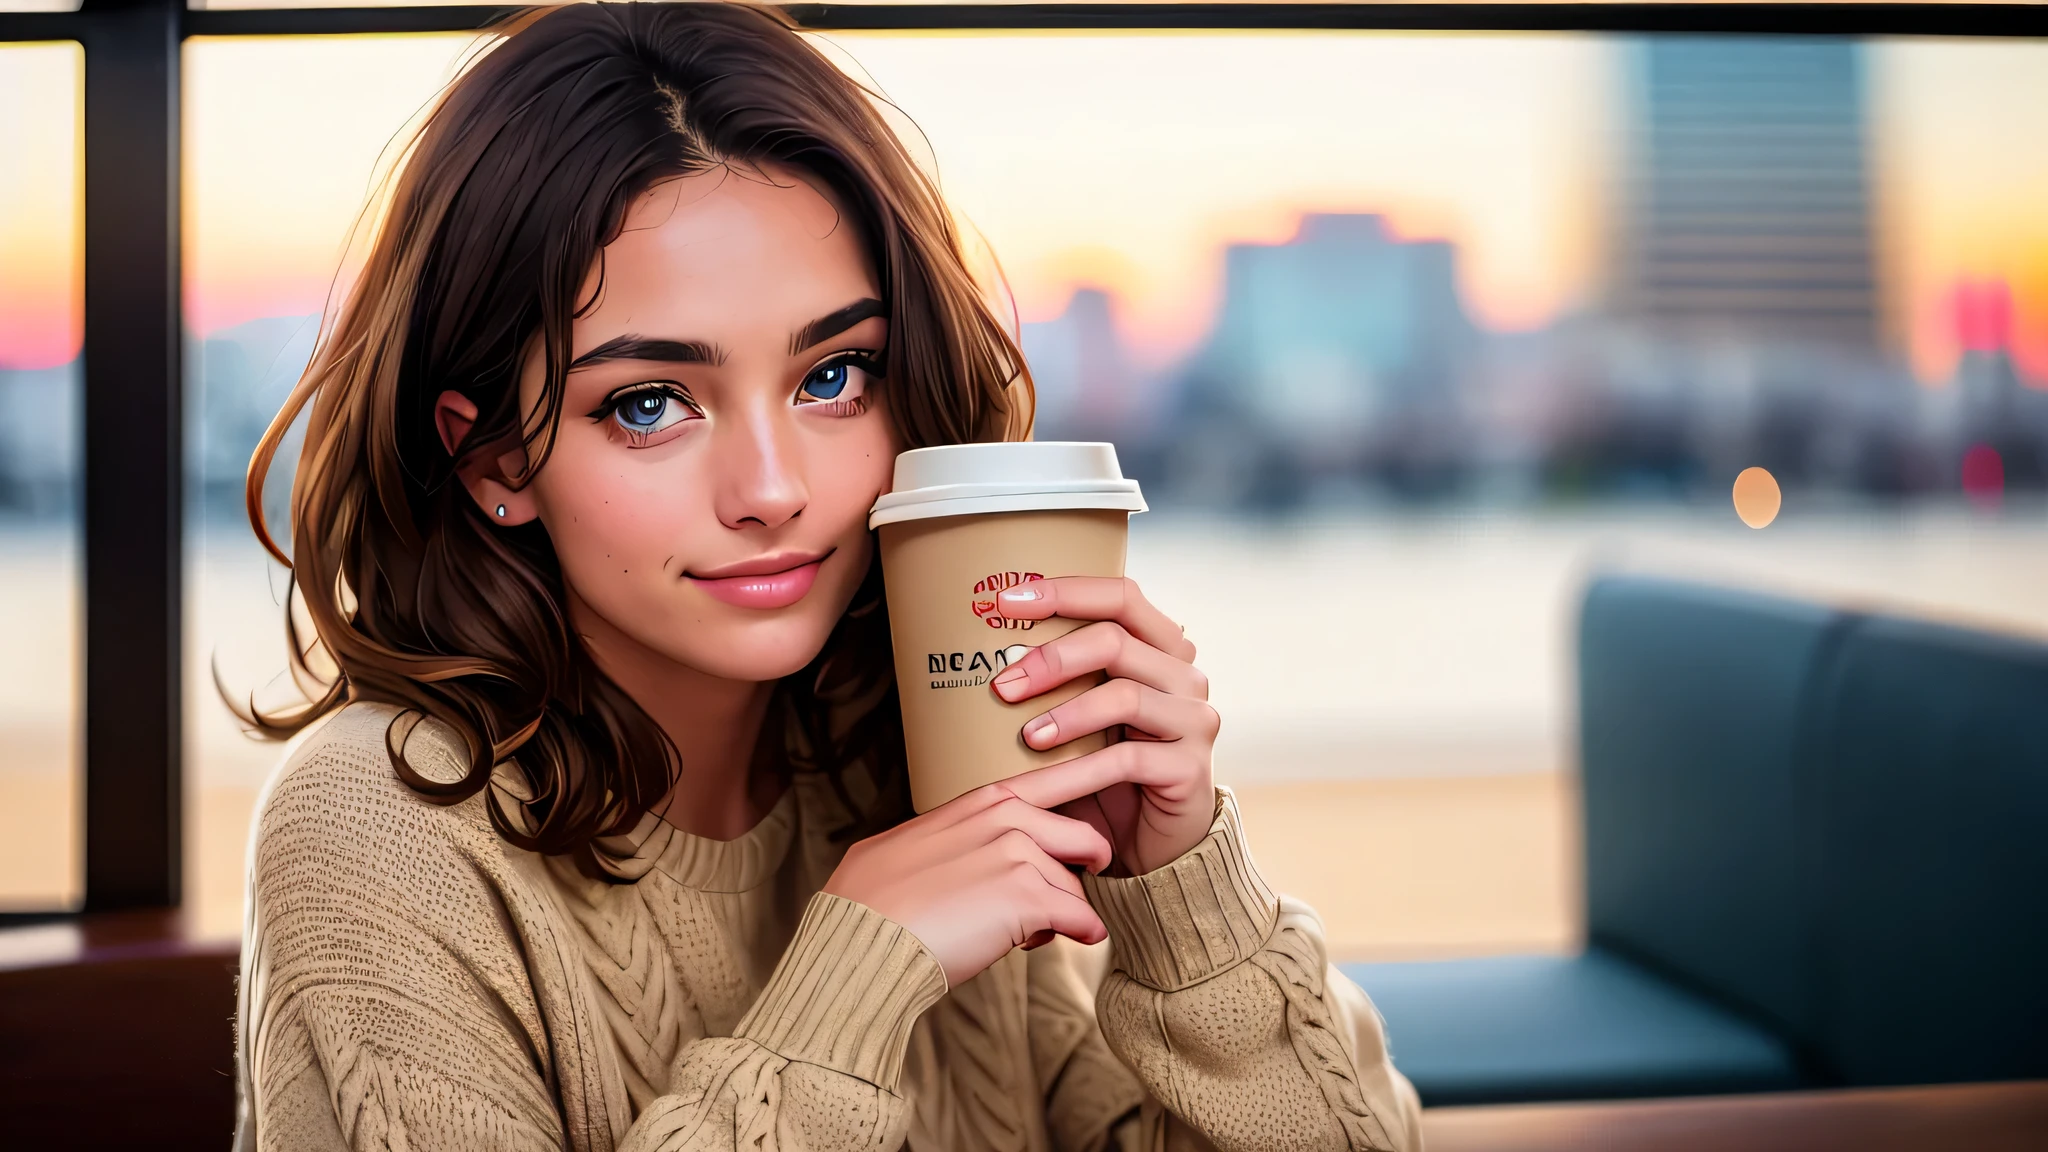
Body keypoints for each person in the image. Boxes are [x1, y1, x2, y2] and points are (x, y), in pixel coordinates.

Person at [232, 5, 1421, 1150]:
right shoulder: (380, 826)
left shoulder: (912, 753)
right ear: (495, 459)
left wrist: (1185, 903)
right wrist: (853, 983)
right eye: (649, 404)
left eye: (832, 377)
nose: (773, 488)